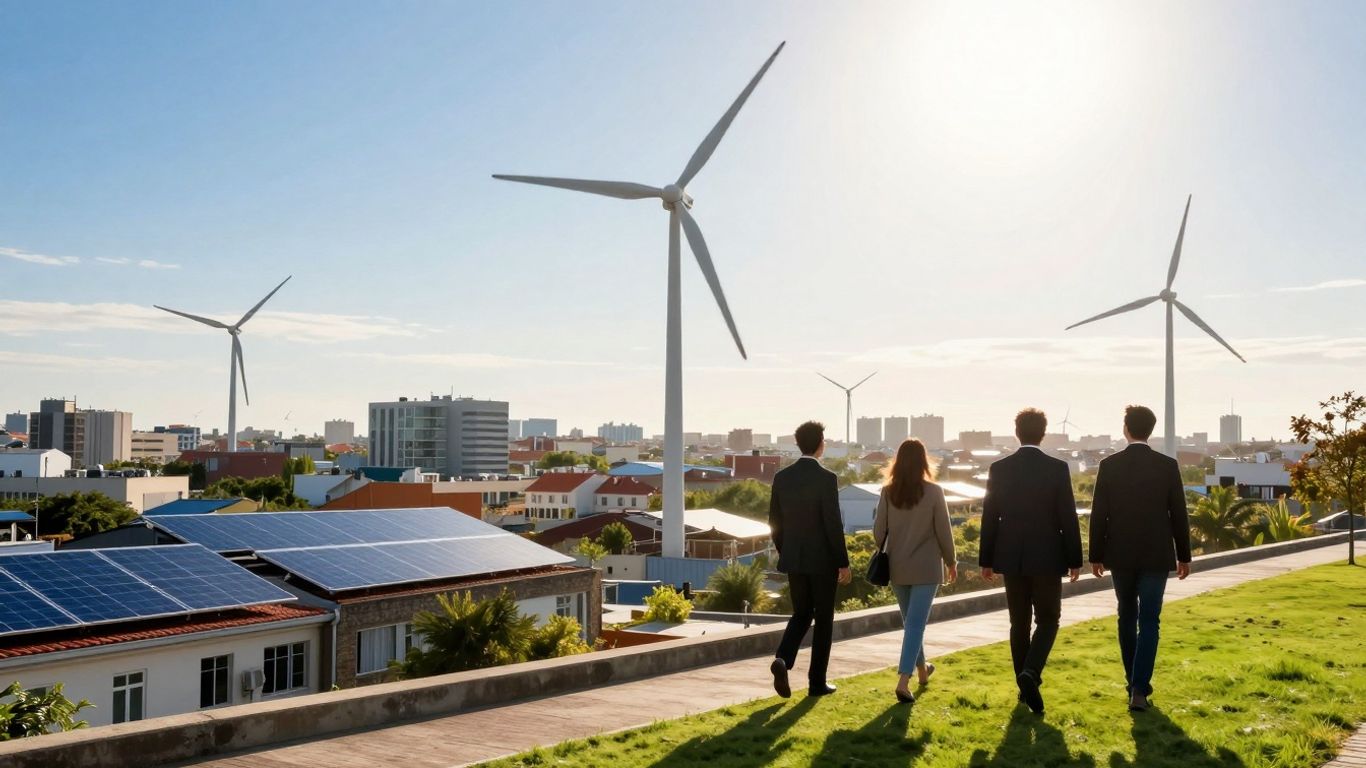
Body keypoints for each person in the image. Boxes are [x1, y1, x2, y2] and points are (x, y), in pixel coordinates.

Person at [1089, 405, 1192, 712]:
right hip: (1156, 555)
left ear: (1126, 428)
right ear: (1151, 429)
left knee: (1126, 616)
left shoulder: (1109, 465)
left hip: (1119, 555)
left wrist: (1095, 555)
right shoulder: (1167, 465)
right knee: (1149, 620)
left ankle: (1131, 682)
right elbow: (1179, 514)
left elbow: (1099, 515)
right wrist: (1183, 555)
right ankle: (1139, 687)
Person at [979, 408, 1082, 715]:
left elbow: (989, 517)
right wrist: (1076, 558)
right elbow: (1068, 517)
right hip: (1048, 556)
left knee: (1018, 623)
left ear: (1017, 432)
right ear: (1043, 433)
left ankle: (1023, 690)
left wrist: (986, 559)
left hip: (1011, 556)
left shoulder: (999, 468)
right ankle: (1031, 673)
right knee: (1049, 619)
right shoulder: (1057, 468)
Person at [769, 420, 851, 698]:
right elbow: (832, 524)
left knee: (801, 613)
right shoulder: (827, 479)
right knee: (824, 620)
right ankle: (817, 683)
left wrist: (786, 550)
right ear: (820, 444)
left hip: (794, 558)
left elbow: (774, 522)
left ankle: (783, 658)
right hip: (823, 561)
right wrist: (843, 561)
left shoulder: (782, 478)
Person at [873, 438, 957, 704]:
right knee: (916, 625)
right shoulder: (934, 492)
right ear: (923, 461)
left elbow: (878, 533)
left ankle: (923, 671)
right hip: (927, 568)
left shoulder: (888, 492)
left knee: (912, 624)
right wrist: (951, 561)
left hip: (897, 567)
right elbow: (944, 531)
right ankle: (903, 680)